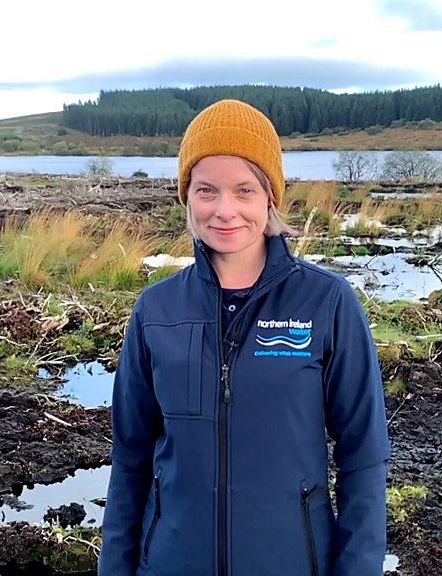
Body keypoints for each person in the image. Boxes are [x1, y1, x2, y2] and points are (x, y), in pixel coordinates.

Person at [99, 98, 390, 576]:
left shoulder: (328, 303)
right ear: (187, 197)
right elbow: (130, 459)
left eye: (244, 190)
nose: (225, 210)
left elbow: (364, 458)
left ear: (269, 197)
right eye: (207, 190)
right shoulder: (155, 311)